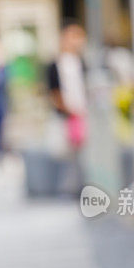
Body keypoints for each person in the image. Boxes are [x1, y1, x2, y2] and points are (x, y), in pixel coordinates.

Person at [46, 21, 89, 194]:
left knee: (83, 154)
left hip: (82, 115)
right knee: (65, 154)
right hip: (65, 117)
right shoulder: (55, 65)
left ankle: (80, 186)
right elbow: (53, 91)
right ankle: (67, 188)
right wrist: (68, 109)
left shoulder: (82, 63)